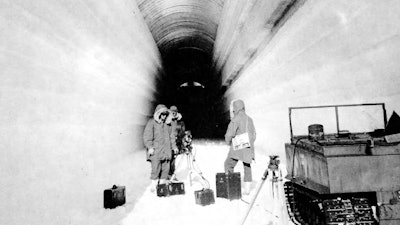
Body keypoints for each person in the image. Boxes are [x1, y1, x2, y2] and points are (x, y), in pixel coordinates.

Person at [224, 99, 256, 195]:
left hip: (237, 146)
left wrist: (228, 142)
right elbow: (254, 135)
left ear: (235, 108)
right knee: (247, 166)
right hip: (248, 147)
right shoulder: (249, 119)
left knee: (228, 164)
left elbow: (230, 133)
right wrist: (249, 142)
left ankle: (231, 185)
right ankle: (247, 189)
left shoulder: (235, 119)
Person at [143, 104, 178, 192]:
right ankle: (154, 186)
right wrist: (150, 147)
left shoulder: (168, 124)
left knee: (166, 170)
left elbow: (171, 137)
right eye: (162, 114)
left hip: (166, 151)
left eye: (165, 114)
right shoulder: (152, 122)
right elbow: (147, 137)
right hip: (156, 152)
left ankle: (162, 187)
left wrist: (174, 147)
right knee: (156, 169)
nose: (164, 116)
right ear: (158, 114)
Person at [166, 105, 186, 180]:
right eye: (172, 112)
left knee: (173, 160)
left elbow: (182, 133)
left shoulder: (180, 122)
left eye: (175, 112)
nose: (173, 113)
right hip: (168, 143)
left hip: (175, 143)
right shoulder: (167, 121)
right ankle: (168, 175)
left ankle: (171, 175)